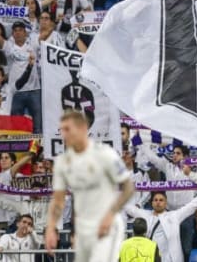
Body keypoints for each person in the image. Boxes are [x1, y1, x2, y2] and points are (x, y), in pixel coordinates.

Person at [45, 111, 135, 262]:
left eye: (68, 129)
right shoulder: (62, 162)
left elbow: (128, 188)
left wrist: (110, 214)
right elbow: (58, 200)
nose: (63, 135)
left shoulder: (105, 154)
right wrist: (51, 228)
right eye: (62, 130)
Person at [124, 191, 197, 262]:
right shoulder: (145, 215)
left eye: (161, 200)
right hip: (152, 257)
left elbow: (193, 205)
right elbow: (129, 208)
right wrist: (114, 190)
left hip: (171, 259)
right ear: (152, 203)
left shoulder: (174, 216)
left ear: (166, 203)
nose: (158, 202)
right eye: (155, 200)